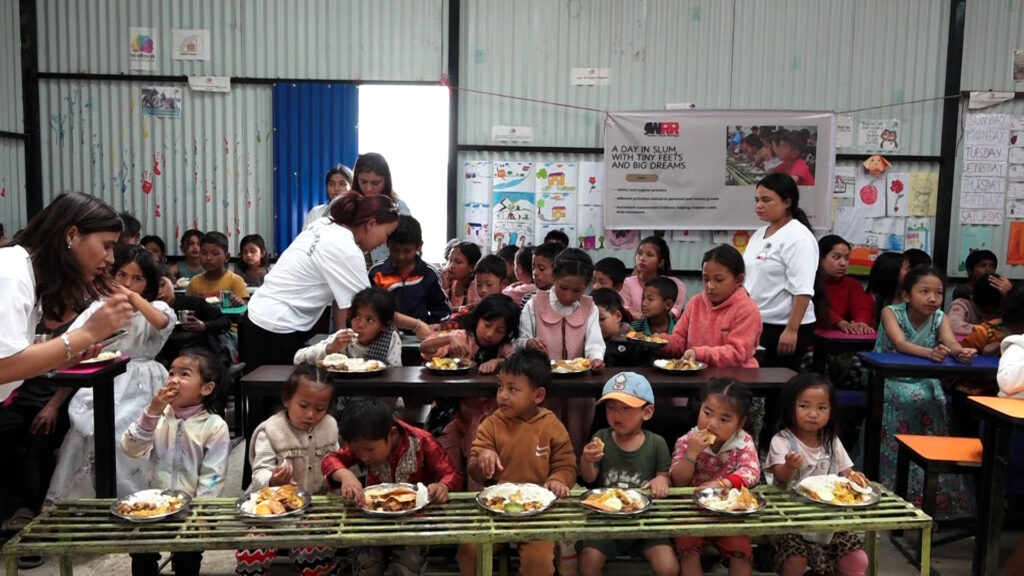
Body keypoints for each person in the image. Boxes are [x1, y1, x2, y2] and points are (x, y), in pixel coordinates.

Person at [241, 193, 427, 372]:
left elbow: (341, 296)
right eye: (387, 234)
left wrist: (339, 332)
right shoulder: (346, 251)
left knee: (266, 397)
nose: (386, 242)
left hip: (255, 317)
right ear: (371, 224)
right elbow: (373, 308)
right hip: (275, 329)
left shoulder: (325, 224)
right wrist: (418, 326)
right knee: (280, 400)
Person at [48, 244, 177, 500]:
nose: (128, 283)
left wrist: (131, 297)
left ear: (148, 283)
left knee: (129, 439)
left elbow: (162, 323)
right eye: (122, 276)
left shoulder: (158, 308)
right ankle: (90, 501)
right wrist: (53, 404)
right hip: (103, 378)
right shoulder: (99, 308)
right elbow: (73, 348)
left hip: (144, 383)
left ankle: (136, 498)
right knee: (85, 435)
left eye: (137, 278)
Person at [0, 191, 133, 403]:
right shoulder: (11, 273)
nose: (111, 259)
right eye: (106, 246)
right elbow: (4, 366)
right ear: (71, 235)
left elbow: (15, 360)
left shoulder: (32, 278)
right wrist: (87, 333)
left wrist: (59, 358)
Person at [457, 349, 577, 576]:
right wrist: (482, 459)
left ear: (538, 396)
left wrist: (558, 479)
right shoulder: (491, 424)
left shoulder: (551, 425)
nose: (502, 395)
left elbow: (566, 464)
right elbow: (473, 468)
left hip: (538, 513)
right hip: (497, 509)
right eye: (500, 387)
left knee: (538, 561)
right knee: (469, 550)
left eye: (513, 389)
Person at [873, 267, 976, 516]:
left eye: (938, 293)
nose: (933, 298)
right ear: (907, 295)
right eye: (925, 292)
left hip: (924, 379)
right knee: (909, 398)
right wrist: (931, 353)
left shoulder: (940, 317)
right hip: (891, 379)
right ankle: (893, 490)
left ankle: (933, 495)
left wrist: (959, 352)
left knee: (936, 397)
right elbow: (900, 344)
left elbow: (950, 342)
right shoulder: (891, 312)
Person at [121, 348, 230, 576]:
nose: (173, 380)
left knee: (188, 555)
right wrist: (151, 412)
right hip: (153, 505)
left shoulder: (214, 426)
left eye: (185, 374)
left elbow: (213, 476)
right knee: (141, 551)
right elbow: (131, 448)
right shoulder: (157, 416)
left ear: (206, 388)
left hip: (190, 509)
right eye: (171, 373)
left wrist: (201, 513)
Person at [323, 397, 461, 576]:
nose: (363, 457)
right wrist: (346, 475)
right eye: (357, 452)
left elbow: (452, 473)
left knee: (406, 568)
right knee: (367, 568)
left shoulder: (422, 441)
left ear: (392, 434)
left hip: (414, 522)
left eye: (370, 450)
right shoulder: (364, 442)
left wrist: (443, 486)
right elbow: (330, 460)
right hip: (371, 520)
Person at [236, 364, 339, 576]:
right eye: (303, 405)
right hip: (271, 508)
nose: (311, 415)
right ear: (286, 399)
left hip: (316, 507)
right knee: (252, 548)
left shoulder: (330, 426)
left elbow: (336, 462)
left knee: (317, 548)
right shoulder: (271, 431)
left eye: (320, 409)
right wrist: (273, 480)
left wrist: (340, 478)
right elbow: (260, 472)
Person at [765, 373, 869, 576]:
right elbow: (781, 478)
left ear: (831, 411)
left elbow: (846, 472)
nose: (813, 414)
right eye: (804, 406)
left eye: (821, 408)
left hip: (829, 520)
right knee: (795, 562)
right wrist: (790, 466)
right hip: (792, 521)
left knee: (858, 561)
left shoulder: (831, 440)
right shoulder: (782, 441)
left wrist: (856, 478)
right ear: (790, 408)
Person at [578, 373, 677, 576]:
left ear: (647, 412)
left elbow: (664, 476)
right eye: (611, 408)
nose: (617, 414)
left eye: (626, 408)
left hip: (647, 522)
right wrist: (587, 460)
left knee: (669, 567)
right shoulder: (601, 437)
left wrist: (661, 479)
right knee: (588, 563)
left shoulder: (656, 443)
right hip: (606, 518)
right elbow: (589, 478)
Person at [420, 294, 520, 479]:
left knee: (480, 455)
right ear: (478, 319)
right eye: (487, 325)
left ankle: (477, 494)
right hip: (450, 409)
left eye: (499, 331)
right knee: (447, 461)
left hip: (483, 411)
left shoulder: (503, 348)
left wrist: (498, 362)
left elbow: (515, 361)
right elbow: (424, 347)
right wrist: (448, 339)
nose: (490, 334)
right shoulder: (461, 337)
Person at [518, 248, 606, 454]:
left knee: (576, 433)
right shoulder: (535, 304)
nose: (569, 295)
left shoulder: (589, 307)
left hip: (578, 388)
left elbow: (594, 340)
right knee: (542, 433)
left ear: (587, 286)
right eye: (563, 287)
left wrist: (595, 359)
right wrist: (529, 343)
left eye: (577, 291)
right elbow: (520, 340)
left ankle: (572, 475)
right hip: (542, 385)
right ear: (554, 277)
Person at [670, 378, 759, 576]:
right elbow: (678, 480)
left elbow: (752, 472)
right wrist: (691, 454)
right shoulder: (687, 440)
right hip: (690, 510)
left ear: (740, 423)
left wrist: (724, 483)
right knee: (688, 550)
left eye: (724, 419)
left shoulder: (743, 442)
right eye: (707, 413)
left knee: (741, 552)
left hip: (728, 511)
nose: (712, 424)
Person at [743, 173, 818, 370]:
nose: (759, 205)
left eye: (766, 200)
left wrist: (792, 329)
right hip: (757, 321)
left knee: (778, 386)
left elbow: (802, 289)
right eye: (757, 200)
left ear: (787, 202)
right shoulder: (759, 234)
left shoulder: (798, 237)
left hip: (784, 325)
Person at [662, 245, 762, 368]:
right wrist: (663, 343)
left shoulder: (747, 309)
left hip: (735, 378)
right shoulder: (695, 303)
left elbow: (737, 352)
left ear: (739, 280)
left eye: (719, 280)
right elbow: (680, 339)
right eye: (706, 279)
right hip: (697, 374)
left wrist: (699, 353)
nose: (710, 286)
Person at [294, 286, 403, 368]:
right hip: (343, 394)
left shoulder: (390, 339)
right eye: (356, 316)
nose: (360, 325)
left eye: (369, 320)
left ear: (385, 326)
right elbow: (298, 358)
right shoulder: (342, 338)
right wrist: (330, 348)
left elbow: (395, 374)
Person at [369, 215, 450, 325]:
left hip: (419, 338)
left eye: (407, 251)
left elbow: (442, 309)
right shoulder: (377, 273)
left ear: (419, 246)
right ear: (387, 244)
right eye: (395, 250)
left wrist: (431, 326)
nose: (401, 256)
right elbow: (368, 308)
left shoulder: (428, 274)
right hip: (385, 336)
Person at [155, 271, 232, 368]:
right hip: (167, 361)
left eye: (162, 285)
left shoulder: (193, 302)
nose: (158, 292)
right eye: (152, 288)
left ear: (174, 282)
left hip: (204, 359)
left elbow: (225, 322)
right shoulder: (148, 310)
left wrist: (204, 326)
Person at [351, 153, 412, 265]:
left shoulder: (398, 207)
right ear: (356, 179)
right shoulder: (350, 206)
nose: (368, 188)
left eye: (375, 183)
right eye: (363, 182)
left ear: (386, 180)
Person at [817, 235, 874, 334]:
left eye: (846, 258)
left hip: (845, 340)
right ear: (821, 259)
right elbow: (818, 307)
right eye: (837, 257)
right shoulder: (811, 283)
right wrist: (840, 323)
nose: (843, 263)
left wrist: (861, 322)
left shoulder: (852, 284)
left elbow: (861, 305)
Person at [621, 236, 686, 320]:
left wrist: (654, 320)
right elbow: (623, 308)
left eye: (649, 255)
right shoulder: (626, 284)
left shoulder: (675, 284)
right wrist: (642, 318)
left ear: (661, 262)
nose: (642, 258)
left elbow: (674, 311)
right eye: (639, 253)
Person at [185, 231, 249, 304]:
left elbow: (244, 304)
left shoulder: (235, 281)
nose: (208, 258)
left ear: (227, 257)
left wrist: (239, 302)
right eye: (204, 253)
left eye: (215, 254)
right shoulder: (195, 282)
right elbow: (187, 306)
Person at [592, 288, 645, 367]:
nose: (596, 324)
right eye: (592, 321)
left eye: (601, 319)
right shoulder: (588, 341)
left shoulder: (635, 339)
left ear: (618, 316)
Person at [304, 163, 352, 229]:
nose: (336, 188)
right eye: (331, 184)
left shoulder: (357, 214)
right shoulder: (316, 213)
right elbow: (306, 238)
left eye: (341, 184)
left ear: (351, 187)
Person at [866, 251, 904, 325]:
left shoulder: (907, 299)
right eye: (907, 268)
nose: (912, 272)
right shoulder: (869, 300)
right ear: (892, 271)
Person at [519, 242, 561, 307]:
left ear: (557, 270)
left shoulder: (567, 300)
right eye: (533, 267)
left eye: (541, 269)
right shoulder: (528, 299)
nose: (535, 273)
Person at [444, 241, 483, 310]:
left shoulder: (475, 287)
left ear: (472, 267)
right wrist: (444, 287)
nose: (451, 266)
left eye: (458, 262)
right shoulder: (450, 283)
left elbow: (471, 311)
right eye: (450, 260)